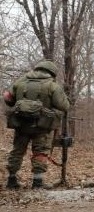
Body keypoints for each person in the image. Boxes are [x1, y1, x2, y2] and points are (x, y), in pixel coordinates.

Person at [4, 60, 70, 190]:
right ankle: (37, 183)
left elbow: (7, 97)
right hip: (42, 126)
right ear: (52, 72)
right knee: (40, 152)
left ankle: (11, 180)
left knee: (17, 151)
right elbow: (65, 106)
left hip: (21, 124)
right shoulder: (52, 86)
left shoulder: (20, 82)